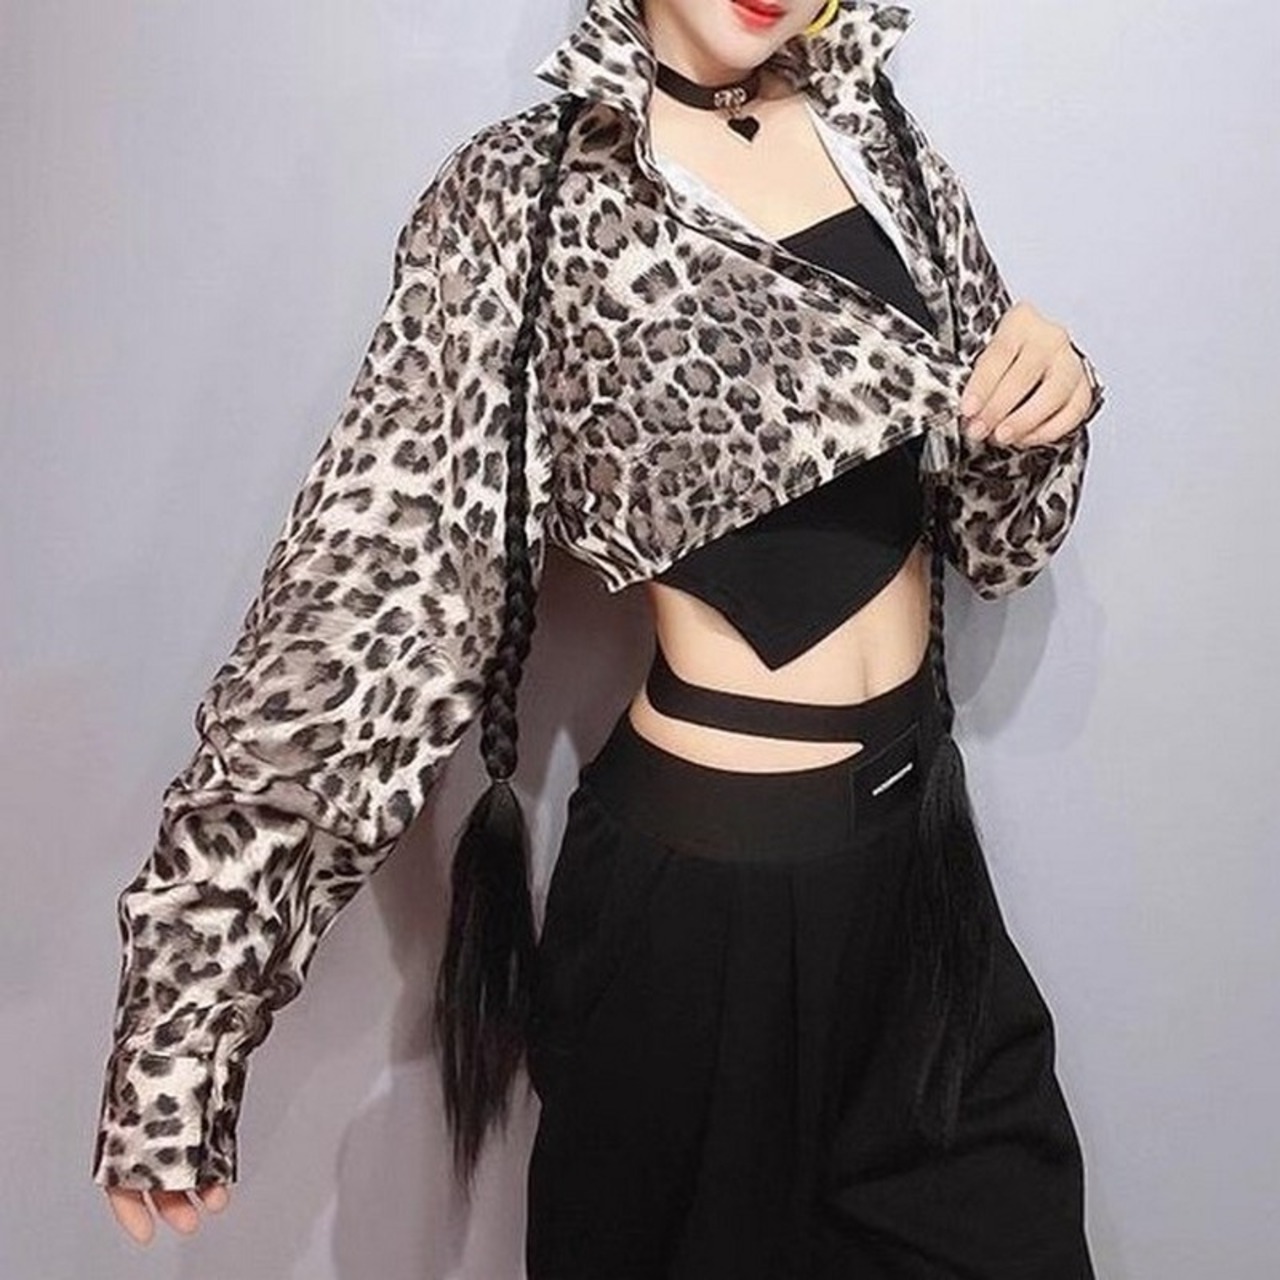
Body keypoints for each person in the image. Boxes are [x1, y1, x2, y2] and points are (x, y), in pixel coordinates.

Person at [92, 0, 1106, 1273]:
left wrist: (1044, 404)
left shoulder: (883, 143)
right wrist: (189, 1008)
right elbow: (368, 610)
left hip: (920, 881)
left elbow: (994, 545)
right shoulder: (523, 198)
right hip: (700, 913)